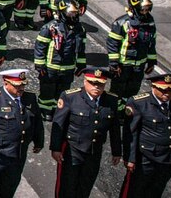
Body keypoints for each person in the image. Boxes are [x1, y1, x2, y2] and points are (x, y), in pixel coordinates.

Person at [51, 67, 123, 198]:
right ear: (85, 81)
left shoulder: (111, 101)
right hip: (72, 151)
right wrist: (55, 148)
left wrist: (117, 151)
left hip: (94, 152)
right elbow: (59, 124)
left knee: (85, 187)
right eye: (93, 83)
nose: (96, 87)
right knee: (67, 187)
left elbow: (115, 128)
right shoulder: (70, 97)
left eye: (100, 84)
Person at [0, 68, 44, 198]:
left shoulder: (29, 98)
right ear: (6, 83)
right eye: (17, 85)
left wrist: (39, 141)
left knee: (8, 190)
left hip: (18, 154)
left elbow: (37, 121)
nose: (21, 88)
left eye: (23, 84)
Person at [119, 73, 171, 198]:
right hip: (145, 159)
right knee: (135, 191)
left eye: (170, 90)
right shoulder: (139, 103)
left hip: (167, 158)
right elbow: (131, 132)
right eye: (163, 90)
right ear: (154, 87)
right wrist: (129, 158)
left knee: (156, 191)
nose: (167, 94)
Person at [106, 0, 158, 99]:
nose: (145, 12)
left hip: (139, 66)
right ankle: (115, 112)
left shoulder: (150, 23)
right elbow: (112, 44)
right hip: (123, 66)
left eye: (147, 9)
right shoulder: (121, 23)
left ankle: (128, 111)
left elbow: (151, 44)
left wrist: (151, 62)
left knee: (133, 91)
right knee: (117, 91)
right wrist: (114, 64)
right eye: (142, 9)